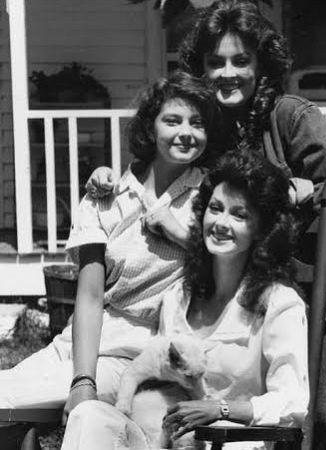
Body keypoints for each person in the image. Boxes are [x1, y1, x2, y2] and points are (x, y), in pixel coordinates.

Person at [86, 1, 326, 448]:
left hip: (324, 301)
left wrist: (305, 190)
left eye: (241, 60)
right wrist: (108, 177)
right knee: (245, 424)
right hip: (247, 308)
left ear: (261, 65)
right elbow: (161, 166)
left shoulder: (293, 117)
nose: (227, 72)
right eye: (215, 62)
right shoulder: (208, 130)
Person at [0, 71, 221, 424]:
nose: (186, 132)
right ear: (150, 128)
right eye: (173, 120)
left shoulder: (211, 198)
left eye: (197, 123)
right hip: (82, 347)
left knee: (6, 402)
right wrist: (82, 381)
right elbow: (89, 296)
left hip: (141, 357)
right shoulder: (106, 197)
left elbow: (228, 264)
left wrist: (179, 233)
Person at [61, 149, 309, 450]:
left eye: (239, 214)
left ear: (261, 230)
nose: (221, 222)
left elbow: (292, 402)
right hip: (167, 439)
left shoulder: (278, 304)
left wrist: (221, 409)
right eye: (215, 208)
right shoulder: (179, 297)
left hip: (233, 443)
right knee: (90, 416)